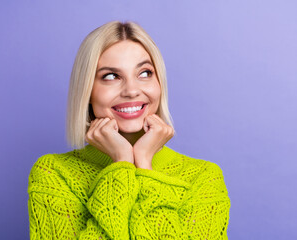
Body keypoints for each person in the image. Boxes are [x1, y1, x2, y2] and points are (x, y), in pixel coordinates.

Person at [28, 21, 230, 239]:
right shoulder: (55, 174)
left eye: (144, 73)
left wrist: (144, 164)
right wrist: (121, 163)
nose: (132, 91)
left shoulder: (203, 178)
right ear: (87, 91)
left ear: (159, 84)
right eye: (111, 76)